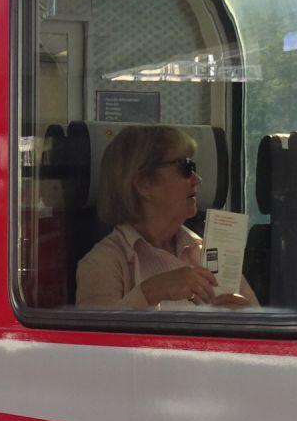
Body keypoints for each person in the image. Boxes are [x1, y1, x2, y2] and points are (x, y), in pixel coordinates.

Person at [75, 125, 255, 309]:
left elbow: (259, 323)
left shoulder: (208, 249)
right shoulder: (104, 262)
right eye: (186, 167)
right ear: (144, 184)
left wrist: (247, 318)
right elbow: (97, 335)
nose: (197, 179)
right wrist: (151, 292)